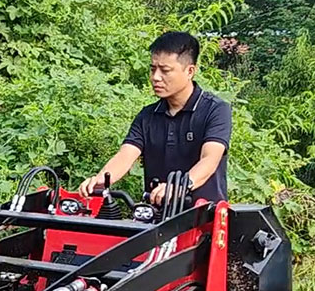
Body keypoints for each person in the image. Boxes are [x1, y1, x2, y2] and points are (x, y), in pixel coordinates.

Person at [79, 31, 232, 206]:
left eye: (165, 70)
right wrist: (99, 181)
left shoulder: (215, 109)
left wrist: (178, 186)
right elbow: (125, 155)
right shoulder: (147, 116)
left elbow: (210, 159)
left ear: (190, 71)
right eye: (153, 69)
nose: (155, 77)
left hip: (204, 220)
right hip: (156, 218)